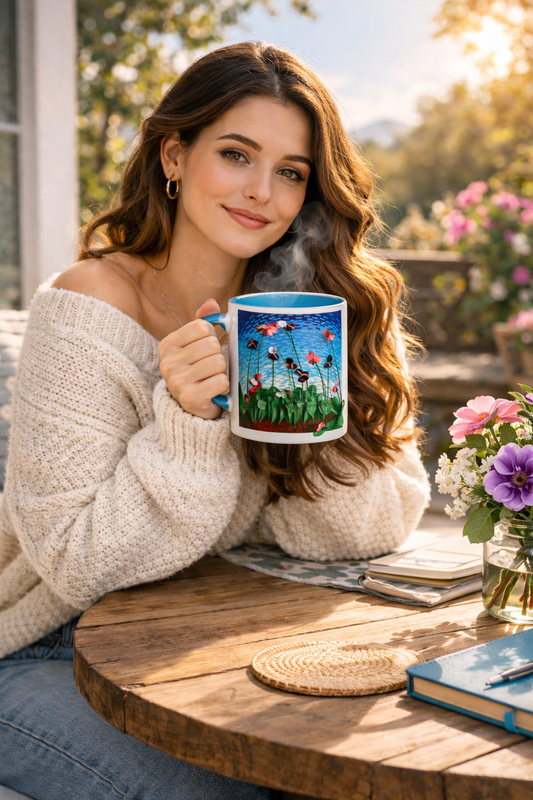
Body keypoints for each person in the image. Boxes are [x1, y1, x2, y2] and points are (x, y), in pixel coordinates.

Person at [0, 41, 430, 799]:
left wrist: (311, 422)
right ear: (174, 154)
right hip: (46, 648)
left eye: (291, 172)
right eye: (235, 155)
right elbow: (76, 564)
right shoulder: (87, 309)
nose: (261, 192)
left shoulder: (319, 309)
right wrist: (189, 422)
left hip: (224, 631)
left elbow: (371, 530)